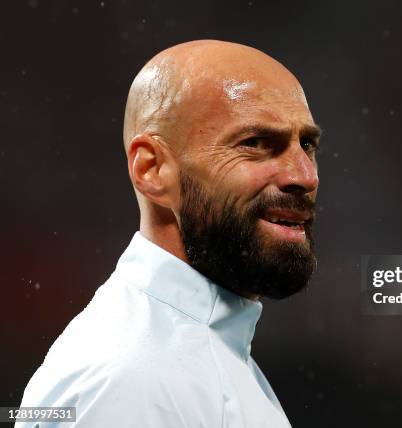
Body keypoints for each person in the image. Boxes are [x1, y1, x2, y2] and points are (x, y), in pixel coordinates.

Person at [17, 39, 321, 427]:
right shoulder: (131, 381)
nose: (304, 176)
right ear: (151, 170)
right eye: (256, 143)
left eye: (307, 144)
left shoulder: (194, 351)